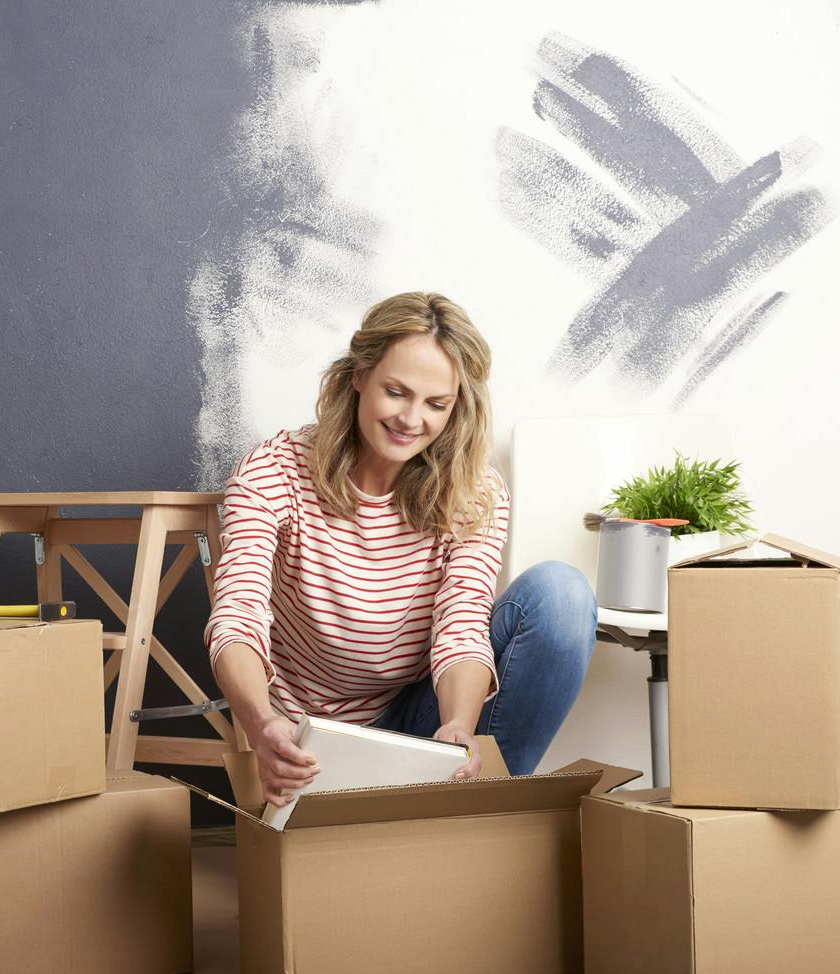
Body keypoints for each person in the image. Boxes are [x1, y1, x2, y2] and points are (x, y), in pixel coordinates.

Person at [204, 292, 596, 807]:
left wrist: (458, 726)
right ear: (358, 376)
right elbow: (238, 613)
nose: (412, 420)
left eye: (437, 404)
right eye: (396, 392)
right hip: (308, 739)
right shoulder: (273, 471)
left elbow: (462, 623)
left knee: (561, 595)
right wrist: (261, 726)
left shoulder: (473, 493)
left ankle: (480, 815)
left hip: (416, 723)